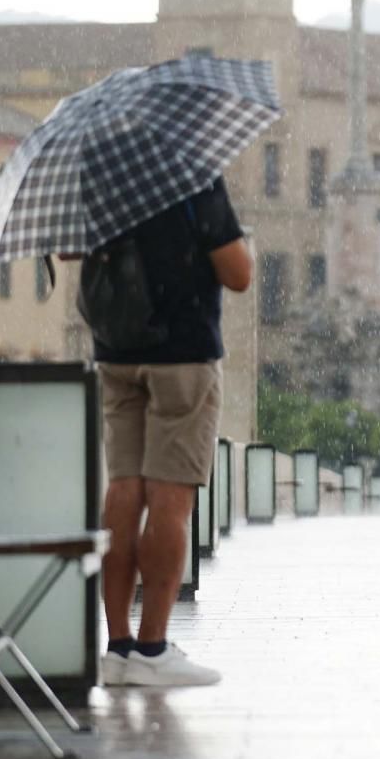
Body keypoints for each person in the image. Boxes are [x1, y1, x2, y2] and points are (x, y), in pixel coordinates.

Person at [95, 178, 252, 687]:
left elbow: (81, 252)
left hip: (117, 352)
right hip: (181, 353)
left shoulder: (104, 172)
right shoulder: (190, 175)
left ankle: (117, 648)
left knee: (123, 489)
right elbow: (239, 275)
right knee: (170, 497)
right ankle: (153, 647)